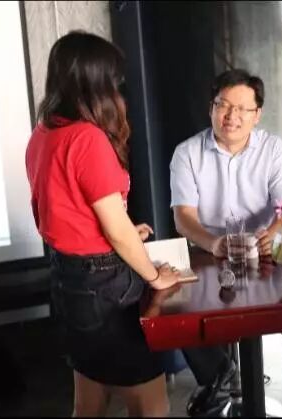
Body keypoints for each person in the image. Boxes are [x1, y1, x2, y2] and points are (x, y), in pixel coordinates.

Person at [25, 31, 180, 417]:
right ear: (95, 82)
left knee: (89, 401)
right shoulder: (87, 138)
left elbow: (64, 211)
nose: (117, 87)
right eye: (113, 79)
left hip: (68, 279)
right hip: (104, 284)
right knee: (151, 404)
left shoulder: (43, 135)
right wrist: (154, 275)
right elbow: (114, 229)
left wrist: (123, 232)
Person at [170, 68, 282, 417]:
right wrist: (213, 243)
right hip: (209, 255)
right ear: (211, 108)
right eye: (223, 105)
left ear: (257, 114)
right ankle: (223, 379)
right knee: (178, 308)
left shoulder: (272, 149)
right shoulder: (187, 153)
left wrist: (272, 233)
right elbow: (183, 217)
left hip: (265, 256)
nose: (232, 116)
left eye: (242, 108)